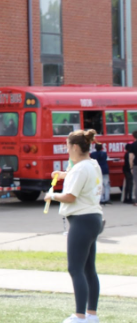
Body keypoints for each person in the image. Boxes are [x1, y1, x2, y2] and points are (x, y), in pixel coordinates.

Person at [44, 129, 103, 323]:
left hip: (82, 220)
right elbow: (78, 176)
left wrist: (51, 195)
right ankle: (91, 314)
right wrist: (63, 175)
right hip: (93, 218)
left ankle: (79, 316)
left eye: (68, 146)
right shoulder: (91, 164)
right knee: (88, 269)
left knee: (75, 269)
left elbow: (70, 196)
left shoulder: (80, 168)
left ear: (75, 147)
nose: (67, 150)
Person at [122, 131, 136, 204]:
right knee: (130, 184)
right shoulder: (130, 154)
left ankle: (126, 198)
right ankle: (129, 198)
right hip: (129, 170)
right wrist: (131, 168)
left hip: (126, 169)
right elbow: (131, 161)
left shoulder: (126, 153)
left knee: (128, 184)